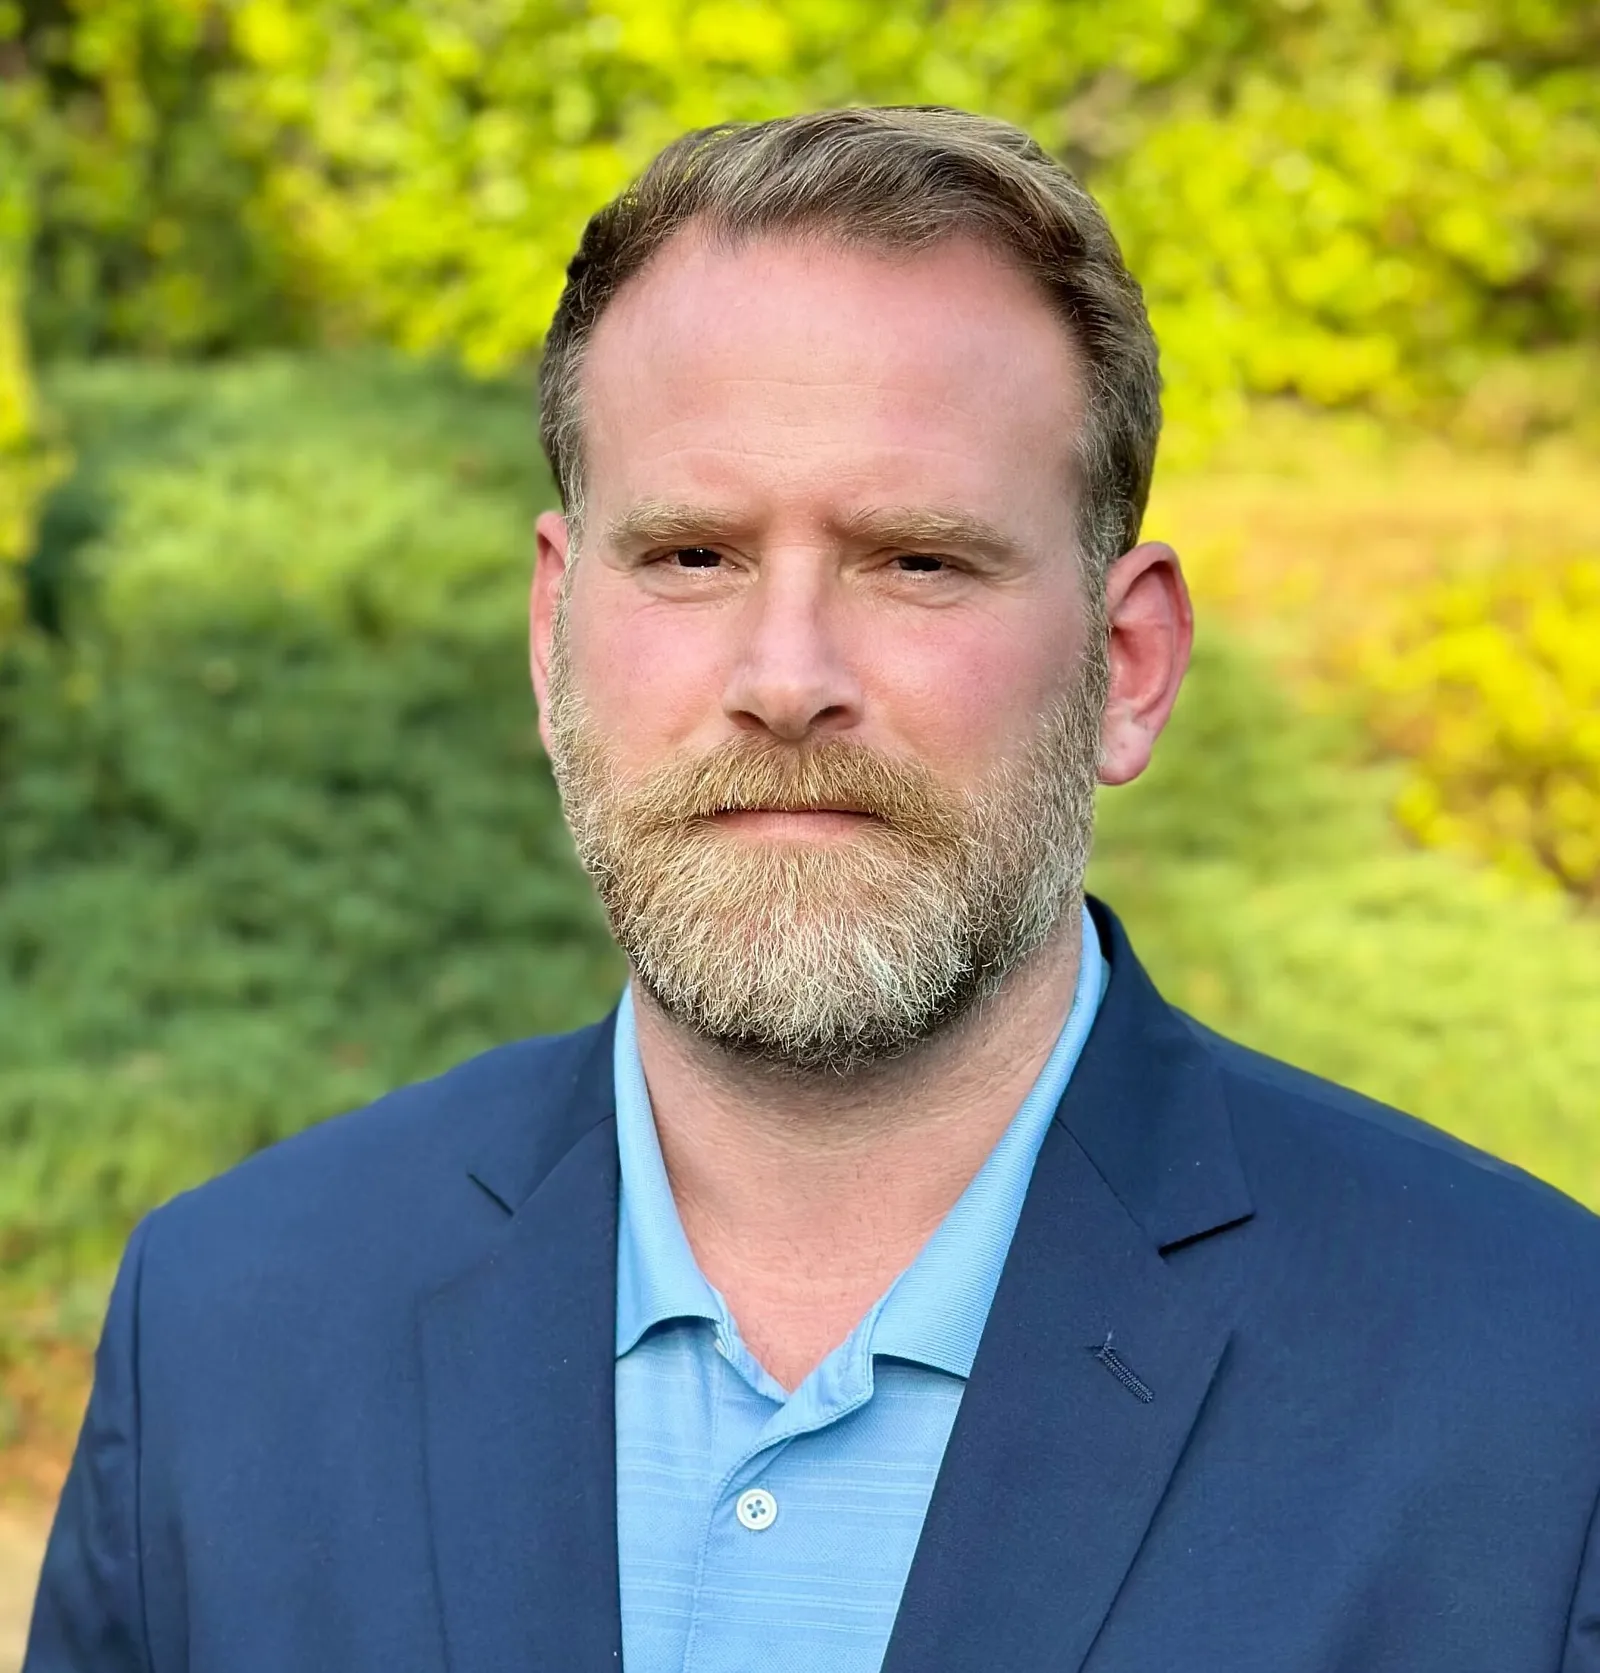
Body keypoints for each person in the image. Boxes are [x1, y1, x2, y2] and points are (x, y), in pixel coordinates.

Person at [25, 106, 1600, 1673]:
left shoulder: (1535, 1385)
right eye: (695, 556)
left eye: (916, 560)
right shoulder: (232, 1332)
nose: (786, 682)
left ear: (1127, 668)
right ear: (554, 630)